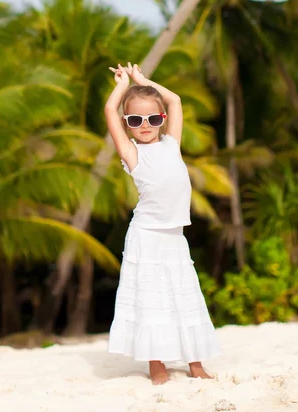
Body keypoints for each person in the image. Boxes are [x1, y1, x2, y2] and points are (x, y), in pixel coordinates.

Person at [105, 62, 220, 385]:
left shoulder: (171, 144)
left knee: (185, 297)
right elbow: (109, 110)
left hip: (174, 238)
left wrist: (143, 81)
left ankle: (195, 363)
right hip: (146, 237)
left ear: (162, 121)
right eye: (136, 120)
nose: (145, 125)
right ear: (127, 125)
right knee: (151, 300)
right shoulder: (131, 152)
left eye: (153, 119)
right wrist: (121, 86)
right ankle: (157, 366)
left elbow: (176, 101)